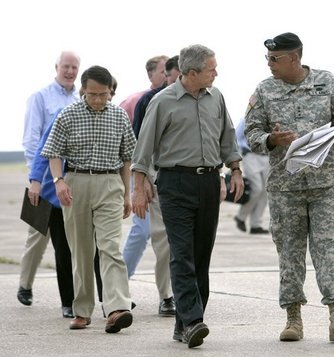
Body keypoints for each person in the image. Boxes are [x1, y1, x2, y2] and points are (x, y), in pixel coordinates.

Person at [245, 32, 334, 342]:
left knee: (328, 248)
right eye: (267, 58)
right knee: (290, 253)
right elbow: (252, 134)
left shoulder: (327, 82)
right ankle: (293, 319)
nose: (269, 64)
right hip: (285, 186)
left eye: (275, 59)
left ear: (294, 58)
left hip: (325, 184)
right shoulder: (264, 90)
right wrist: (271, 140)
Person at [131, 44, 244, 348]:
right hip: (174, 183)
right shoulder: (162, 102)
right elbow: (143, 147)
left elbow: (227, 136)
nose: (216, 73)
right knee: (181, 255)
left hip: (208, 182)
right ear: (190, 73)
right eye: (211, 69)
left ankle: (185, 325)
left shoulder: (216, 97)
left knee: (200, 257)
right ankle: (194, 321)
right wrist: (138, 187)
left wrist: (234, 170)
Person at [41, 65, 137, 333]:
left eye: (103, 94)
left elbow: (128, 156)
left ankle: (118, 307)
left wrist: (127, 192)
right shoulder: (68, 115)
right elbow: (53, 152)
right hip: (77, 183)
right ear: (83, 90)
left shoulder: (119, 116)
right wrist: (59, 182)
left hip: (110, 183)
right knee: (82, 250)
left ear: (110, 91)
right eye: (93, 94)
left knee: (110, 248)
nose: (98, 99)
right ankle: (82, 311)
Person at [18, 51, 81, 308]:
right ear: (56, 67)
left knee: (67, 241)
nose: (70, 71)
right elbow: (32, 139)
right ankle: (25, 284)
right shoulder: (41, 98)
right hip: (44, 179)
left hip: (72, 179)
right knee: (37, 237)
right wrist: (35, 177)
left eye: (74, 67)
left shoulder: (80, 97)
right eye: (66, 66)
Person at [122, 55, 180, 316]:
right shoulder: (149, 101)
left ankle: (186, 292)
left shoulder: (206, 98)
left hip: (191, 180)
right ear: (167, 75)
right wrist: (140, 182)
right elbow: (138, 146)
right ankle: (166, 295)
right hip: (158, 179)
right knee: (161, 239)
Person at [233, 117, 270, 234]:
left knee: (265, 191)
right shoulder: (245, 119)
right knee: (256, 188)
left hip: (267, 156)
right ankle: (241, 217)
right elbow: (236, 137)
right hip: (250, 155)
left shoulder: (270, 114)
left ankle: (256, 224)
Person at [119, 55, 168, 123]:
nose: (168, 75)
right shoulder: (133, 101)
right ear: (150, 75)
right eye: (164, 72)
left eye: (170, 72)